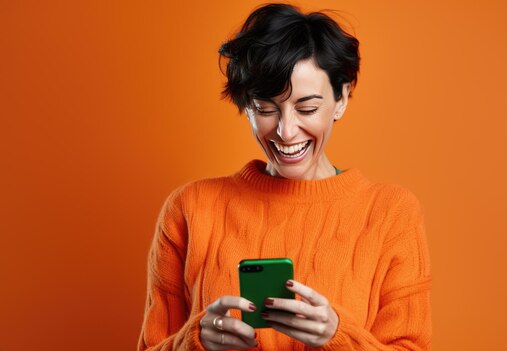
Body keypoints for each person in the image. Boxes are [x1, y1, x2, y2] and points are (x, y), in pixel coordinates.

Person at [138, 3, 432, 350]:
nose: (287, 131)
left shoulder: (390, 213)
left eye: (307, 108)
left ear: (341, 99)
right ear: (246, 105)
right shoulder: (190, 207)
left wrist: (338, 336)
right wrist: (195, 341)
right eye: (265, 108)